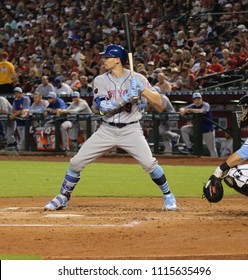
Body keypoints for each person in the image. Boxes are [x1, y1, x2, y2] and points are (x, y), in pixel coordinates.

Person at [44, 44, 177, 211]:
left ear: (117, 60)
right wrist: (127, 97)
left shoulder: (138, 78)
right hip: (106, 129)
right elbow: (102, 107)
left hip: (131, 129)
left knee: (149, 164)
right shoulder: (100, 80)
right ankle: (63, 197)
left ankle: (168, 195)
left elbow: (158, 105)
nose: (103, 60)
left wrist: (142, 90)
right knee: (76, 162)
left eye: (107, 57)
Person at [211, 94, 248, 216]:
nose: (243, 112)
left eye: (245, 108)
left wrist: (219, 170)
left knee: (233, 173)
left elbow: (244, 153)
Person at [179, 92, 218, 157]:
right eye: (195, 99)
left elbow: (201, 111)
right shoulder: (193, 105)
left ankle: (216, 163)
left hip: (207, 130)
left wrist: (189, 110)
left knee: (212, 149)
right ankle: (189, 147)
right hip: (197, 129)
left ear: (201, 99)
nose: (197, 101)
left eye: (199, 99)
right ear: (193, 100)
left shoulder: (205, 104)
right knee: (184, 129)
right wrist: (182, 110)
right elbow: (182, 108)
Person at [147, 86, 179, 154]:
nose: (153, 94)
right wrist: (149, 103)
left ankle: (175, 136)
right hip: (163, 119)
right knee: (164, 134)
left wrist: (152, 103)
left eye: (155, 93)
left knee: (162, 132)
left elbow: (161, 109)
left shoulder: (163, 98)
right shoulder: (152, 99)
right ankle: (168, 152)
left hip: (171, 117)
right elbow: (147, 110)